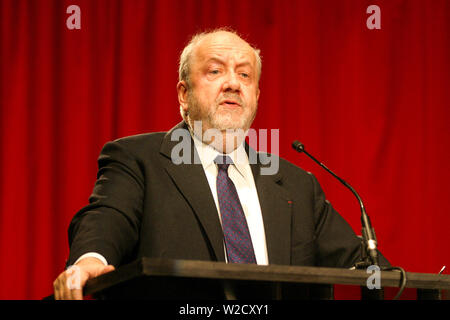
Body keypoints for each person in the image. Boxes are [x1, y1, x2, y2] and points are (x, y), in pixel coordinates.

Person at [53, 29, 388, 300]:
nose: (233, 83)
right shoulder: (138, 160)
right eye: (215, 71)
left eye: (245, 74)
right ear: (184, 94)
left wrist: (394, 283)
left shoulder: (296, 184)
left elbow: (362, 270)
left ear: (257, 95)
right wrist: (90, 261)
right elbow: (107, 218)